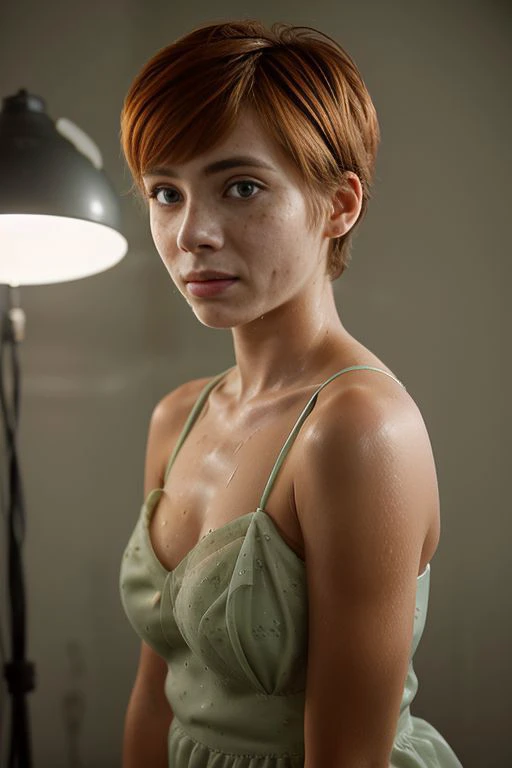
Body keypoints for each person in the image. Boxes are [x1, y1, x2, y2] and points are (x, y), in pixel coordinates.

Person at [119, 19, 463, 768]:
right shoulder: (177, 416)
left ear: (340, 205)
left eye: (240, 186)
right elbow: (157, 691)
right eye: (166, 193)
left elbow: (346, 757)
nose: (191, 233)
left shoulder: (360, 430)